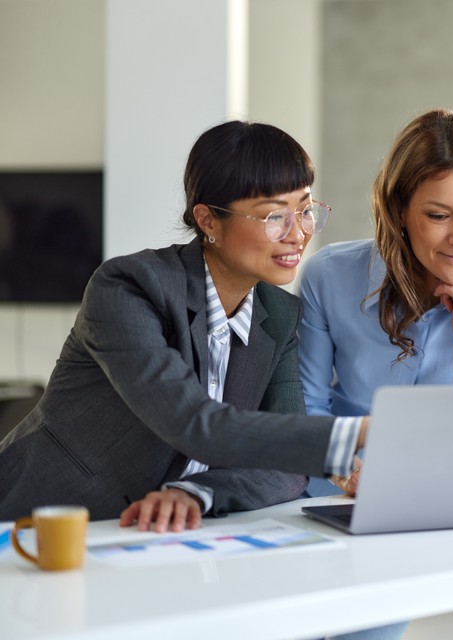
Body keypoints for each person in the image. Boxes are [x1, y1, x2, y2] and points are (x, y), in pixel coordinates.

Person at [0, 121, 367, 534]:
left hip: (149, 539)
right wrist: (353, 435)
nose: (298, 233)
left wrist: (196, 492)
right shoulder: (129, 288)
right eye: (274, 216)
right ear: (208, 221)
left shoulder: (279, 315)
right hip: (35, 521)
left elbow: (285, 471)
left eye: (304, 210)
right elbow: (195, 423)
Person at [298, 109, 453, 494]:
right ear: (400, 212)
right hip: (338, 501)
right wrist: (344, 469)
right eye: (438, 215)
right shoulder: (329, 276)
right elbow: (305, 405)